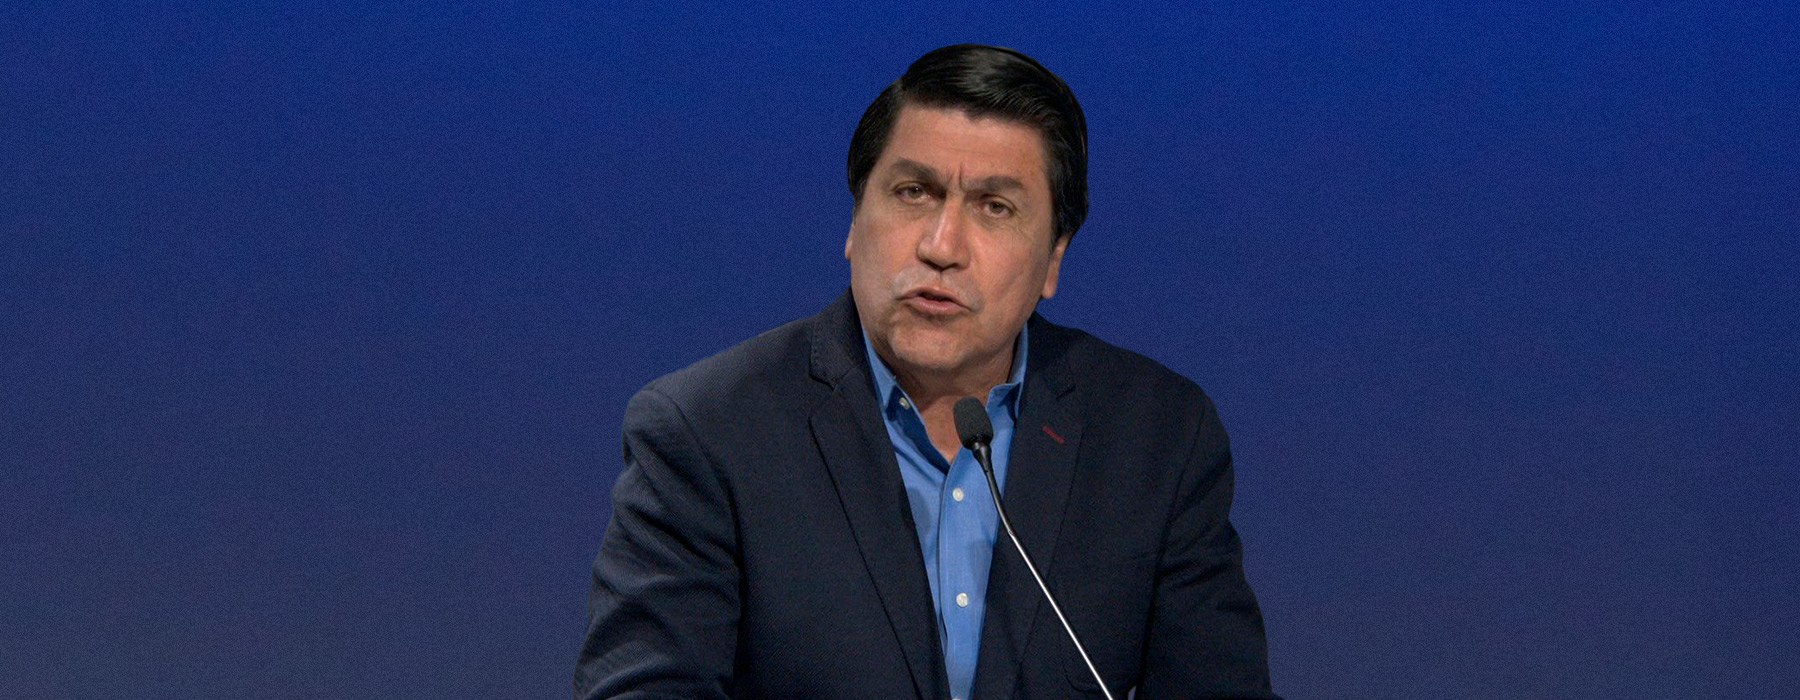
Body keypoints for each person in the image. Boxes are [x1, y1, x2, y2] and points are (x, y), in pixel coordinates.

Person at [576, 44, 1278, 700]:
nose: (942, 246)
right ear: (855, 221)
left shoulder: (1157, 437)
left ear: (1054, 258)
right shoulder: (709, 431)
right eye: (914, 192)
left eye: (995, 208)